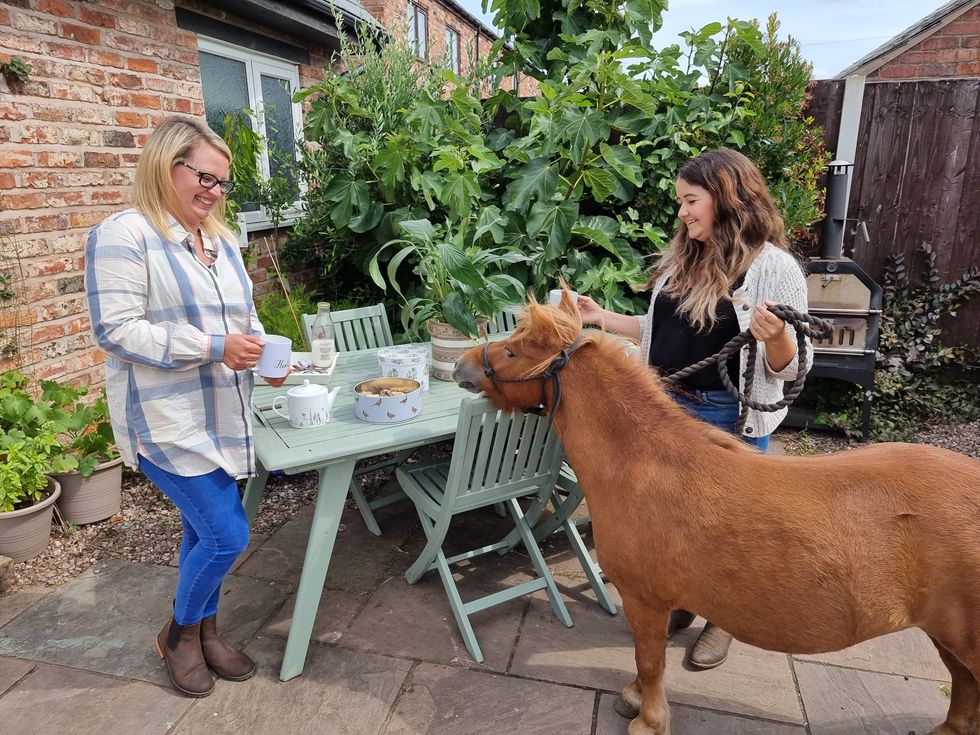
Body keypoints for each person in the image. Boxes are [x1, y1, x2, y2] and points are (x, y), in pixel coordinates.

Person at [576, 148, 811, 670]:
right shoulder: (687, 255)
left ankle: (724, 619)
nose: (682, 212)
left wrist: (776, 341)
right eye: (680, 202)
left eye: (690, 200)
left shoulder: (773, 268)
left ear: (728, 199)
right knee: (671, 522)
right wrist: (602, 317)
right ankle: (682, 598)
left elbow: (793, 366)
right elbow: (664, 330)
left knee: (728, 530)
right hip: (665, 413)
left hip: (727, 416)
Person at [85, 116, 288, 697]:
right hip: (164, 419)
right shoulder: (124, 235)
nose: (214, 192)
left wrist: (262, 357)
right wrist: (215, 348)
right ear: (164, 165)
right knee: (227, 535)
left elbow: (243, 319)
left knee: (202, 534)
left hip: (222, 414)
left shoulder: (222, 241)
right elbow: (116, 331)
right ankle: (177, 636)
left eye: (223, 183)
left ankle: (206, 631)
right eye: (204, 177)